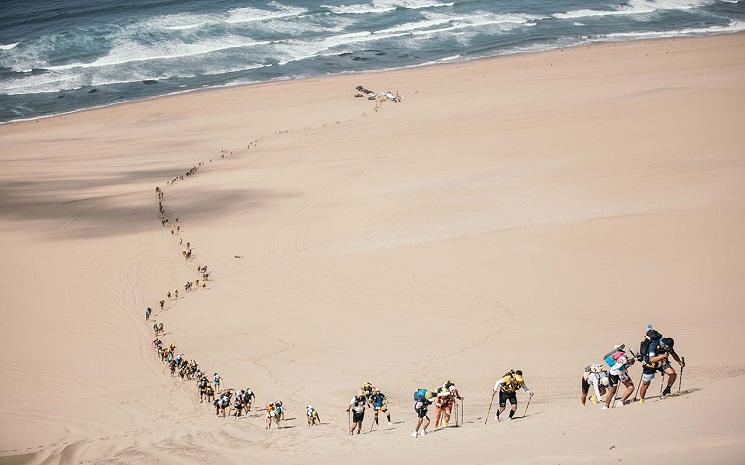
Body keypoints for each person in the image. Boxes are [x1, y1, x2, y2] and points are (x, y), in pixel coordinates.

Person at [639, 332, 684, 402]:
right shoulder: (653, 345)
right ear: (664, 344)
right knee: (645, 384)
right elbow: (651, 359)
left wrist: (679, 362)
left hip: (662, 363)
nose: (668, 349)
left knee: (673, 374)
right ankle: (641, 400)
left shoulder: (668, 346)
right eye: (667, 348)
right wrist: (662, 356)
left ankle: (667, 390)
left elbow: (674, 354)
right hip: (650, 365)